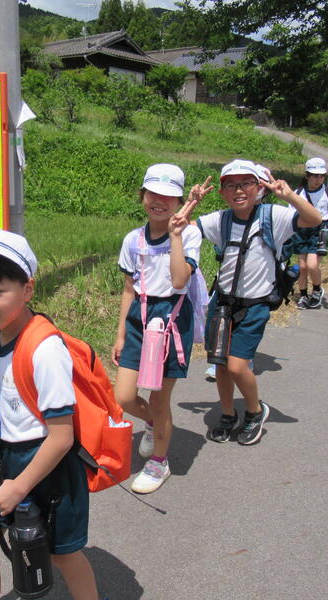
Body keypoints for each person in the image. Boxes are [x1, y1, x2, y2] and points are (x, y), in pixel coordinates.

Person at [0, 229, 98, 600]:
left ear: (27, 289)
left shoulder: (45, 348)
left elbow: (62, 436)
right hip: (1, 459)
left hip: (47, 463)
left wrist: (20, 486)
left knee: (61, 555)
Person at [193, 159, 321, 444]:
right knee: (220, 364)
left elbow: (314, 219)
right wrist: (190, 205)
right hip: (222, 303)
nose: (239, 190)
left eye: (246, 183)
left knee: (237, 366)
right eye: (230, 185)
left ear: (259, 187)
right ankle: (228, 414)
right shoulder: (221, 220)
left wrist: (289, 196)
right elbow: (180, 229)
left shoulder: (273, 216)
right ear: (222, 192)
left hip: (255, 306)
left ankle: (254, 411)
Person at [112, 164, 207, 494]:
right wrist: (121, 334)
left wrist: (176, 236)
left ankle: (159, 462)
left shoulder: (189, 235)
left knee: (160, 396)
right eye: (153, 193)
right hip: (138, 319)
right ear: (142, 196)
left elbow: (180, 280)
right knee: (124, 396)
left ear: (178, 201)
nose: (159, 201)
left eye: (168, 196)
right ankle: (153, 423)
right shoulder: (133, 239)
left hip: (172, 320)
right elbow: (129, 289)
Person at [291, 157, 328, 309]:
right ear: (307, 176)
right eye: (315, 176)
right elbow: (290, 215)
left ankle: (317, 290)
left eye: (321, 176)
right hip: (301, 230)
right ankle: (303, 295)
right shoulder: (298, 193)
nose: (318, 179)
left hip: (319, 230)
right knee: (302, 266)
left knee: (312, 265)